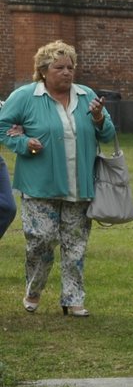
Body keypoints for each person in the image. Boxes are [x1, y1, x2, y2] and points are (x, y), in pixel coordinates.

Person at [0, 41, 117, 316]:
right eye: (59, 67)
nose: (67, 72)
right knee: (40, 241)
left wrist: (99, 119)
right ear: (43, 71)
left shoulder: (87, 95)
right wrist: (24, 143)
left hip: (80, 185)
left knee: (75, 245)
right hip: (39, 185)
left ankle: (73, 299)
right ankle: (34, 288)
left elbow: (108, 134)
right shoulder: (25, 96)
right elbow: (3, 127)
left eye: (70, 67)